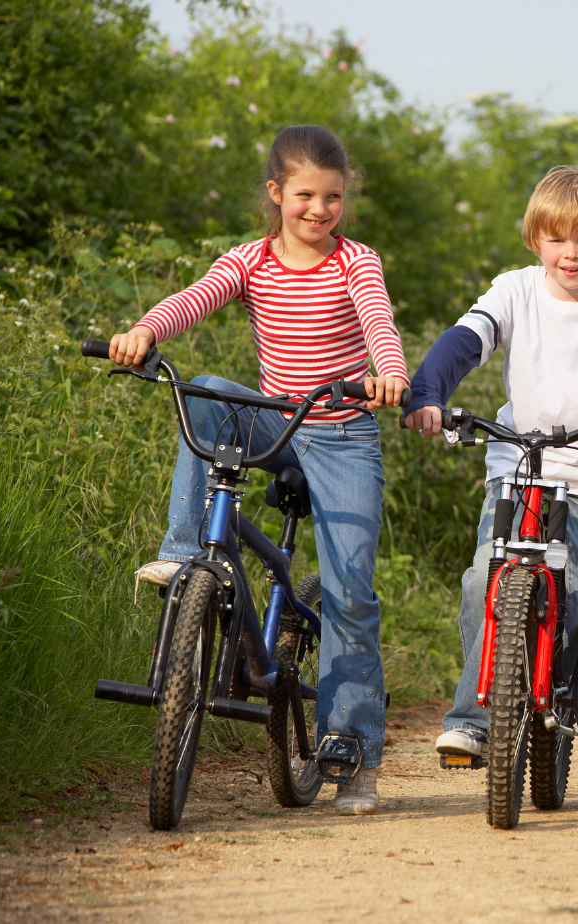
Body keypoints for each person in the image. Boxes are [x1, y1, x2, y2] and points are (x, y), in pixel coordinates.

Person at [107, 125, 408, 816]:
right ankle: (187, 552)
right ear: (276, 194)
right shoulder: (250, 260)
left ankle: (352, 748)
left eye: (332, 197)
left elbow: (379, 323)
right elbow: (195, 297)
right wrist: (147, 331)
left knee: (351, 592)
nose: (319, 209)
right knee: (206, 389)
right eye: (304, 195)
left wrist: (388, 374)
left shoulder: (356, 261)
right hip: (276, 422)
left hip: (339, 432)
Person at [405, 166, 578, 821]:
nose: (571, 253)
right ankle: (476, 718)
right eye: (557, 240)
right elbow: (464, 343)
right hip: (522, 469)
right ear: (536, 240)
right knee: (483, 581)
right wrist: (427, 391)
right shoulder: (514, 292)